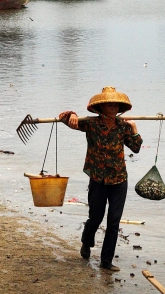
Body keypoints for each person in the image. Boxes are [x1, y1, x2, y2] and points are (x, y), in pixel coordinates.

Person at [59, 86, 142, 272]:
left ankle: (106, 261)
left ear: (119, 107)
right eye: (108, 104)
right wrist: (71, 114)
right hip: (98, 179)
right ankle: (86, 242)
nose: (112, 108)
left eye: (115, 105)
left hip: (119, 180)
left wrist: (134, 128)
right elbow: (63, 118)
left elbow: (135, 148)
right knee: (95, 217)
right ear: (102, 107)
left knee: (114, 221)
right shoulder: (91, 124)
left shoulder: (123, 127)